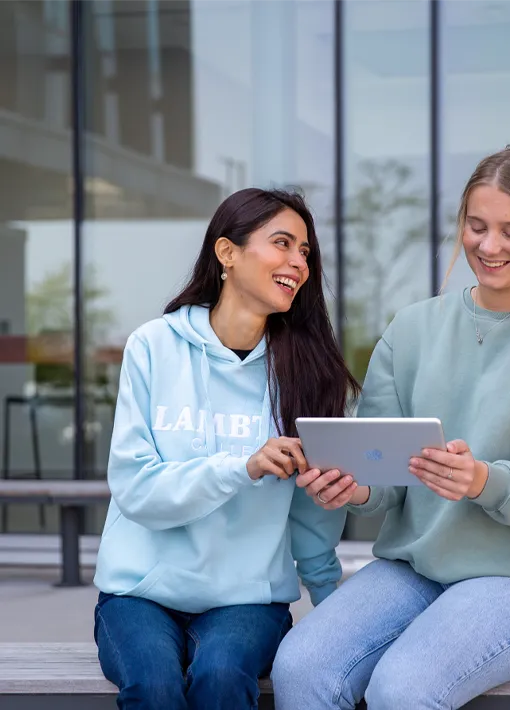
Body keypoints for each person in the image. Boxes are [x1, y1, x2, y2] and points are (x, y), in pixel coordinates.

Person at [272, 146, 510, 709]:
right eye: (476, 226)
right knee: (300, 666)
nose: (488, 246)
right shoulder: (413, 328)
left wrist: (481, 480)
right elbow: (382, 474)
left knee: (404, 686)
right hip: (415, 570)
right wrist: (355, 486)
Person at [93, 188, 360, 710]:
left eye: (305, 251)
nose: (297, 262)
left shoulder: (308, 374)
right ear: (227, 253)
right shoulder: (153, 347)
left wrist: (334, 607)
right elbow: (135, 488)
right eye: (282, 243)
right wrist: (243, 466)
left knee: (220, 677)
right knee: (154, 686)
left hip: (247, 599)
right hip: (139, 595)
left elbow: (310, 513)